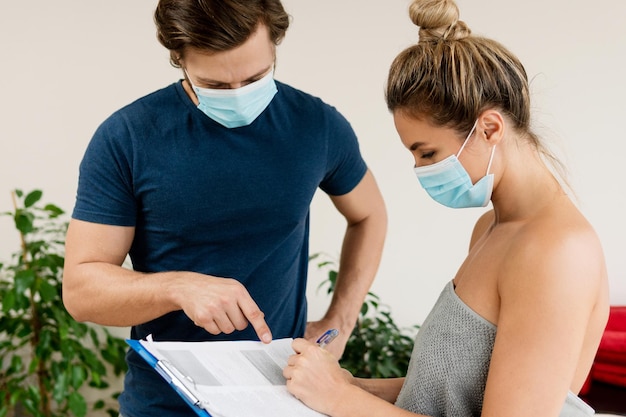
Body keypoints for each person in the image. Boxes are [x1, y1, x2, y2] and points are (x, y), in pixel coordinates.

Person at [282, 0, 609, 416]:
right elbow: (457, 385)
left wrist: (341, 400)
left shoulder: (557, 252)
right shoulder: (491, 226)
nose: (420, 169)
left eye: (428, 152)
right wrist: (353, 385)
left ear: (489, 128)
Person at [61, 1, 387, 416]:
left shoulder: (318, 126)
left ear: (275, 44)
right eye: (214, 84)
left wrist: (340, 322)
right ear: (178, 58)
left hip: (283, 398)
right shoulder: (127, 137)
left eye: (254, 78)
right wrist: (178, 287)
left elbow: (369, 215)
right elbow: (81, 291)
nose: (237, 97)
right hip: (165, 405)